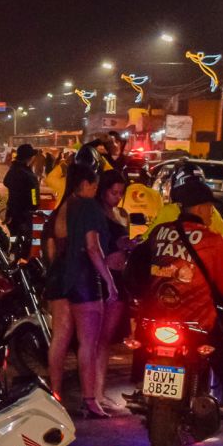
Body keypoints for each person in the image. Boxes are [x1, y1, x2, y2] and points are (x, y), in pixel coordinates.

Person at [137, 177, 223, 446]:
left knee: (142, 351)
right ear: (199, 208)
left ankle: (142, 394)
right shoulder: (212, 241)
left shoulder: (160, 232)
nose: (212, 213)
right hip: (197, 323)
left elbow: (138, 266)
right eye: (210, 208)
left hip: (156, 320)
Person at [51, 164, 118, 419]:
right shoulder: (89, 207)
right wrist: (108, 279)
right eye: (95, 184)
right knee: (88, 343)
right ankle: (90, 400)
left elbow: (52, 247)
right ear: (86, 184)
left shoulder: (62, 206)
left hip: (60, 278)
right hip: (84, 279)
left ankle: (55, 394)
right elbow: (92, 247)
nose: (96, 189)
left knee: (59, 340)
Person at [95, 169, 133, 408]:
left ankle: (98, 392)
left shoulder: (119, 214)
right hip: (102, 278)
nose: (118, 197)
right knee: (98, 339)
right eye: (114, 192)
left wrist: (128, 244)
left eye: (121, 193)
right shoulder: (96, 214)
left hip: (118, 277)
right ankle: (95, 393)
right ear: (103, 191)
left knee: (106, 340)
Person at [2, 143, 40, 248]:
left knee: (13, 234)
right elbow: (34, 193)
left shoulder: (14, 169)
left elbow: (6, 182)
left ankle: (12, 249)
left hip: (12, 210)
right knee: (25, 238)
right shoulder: (28, 174)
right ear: (29, 158)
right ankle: (21, 255)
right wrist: (34, 206)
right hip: (25, 212)